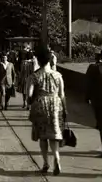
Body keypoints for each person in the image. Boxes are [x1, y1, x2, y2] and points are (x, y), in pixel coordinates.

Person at [27, 46, 66, 176]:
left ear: (38, 60)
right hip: (56, 105)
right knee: (54, 135)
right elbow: (62, 94)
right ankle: (57, 157)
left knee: (43, 137)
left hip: (40, 105)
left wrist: (31, 101)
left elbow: (29, 94)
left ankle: (45, 163)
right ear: (50, 60)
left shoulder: (34, 76)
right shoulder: (58, 75)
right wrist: (65, 109)